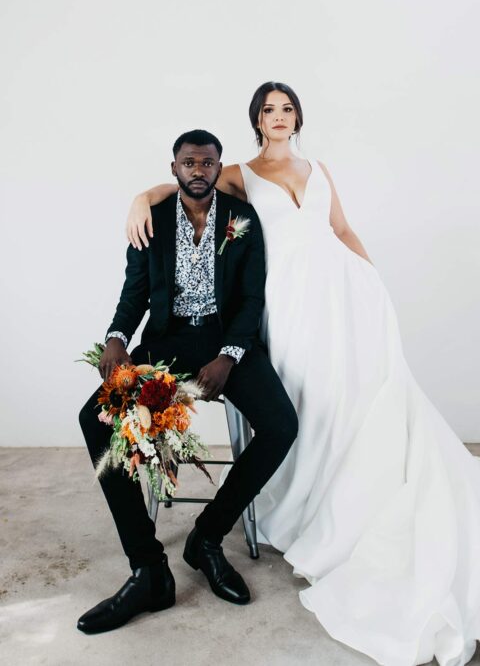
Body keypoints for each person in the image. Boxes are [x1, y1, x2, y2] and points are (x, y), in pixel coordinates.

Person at [126, 82, 480, 666]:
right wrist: (143, 195)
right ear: (256, 121)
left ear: (298, 116)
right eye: (269, 110)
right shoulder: (239, 171)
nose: (279, 117)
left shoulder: (321, 168)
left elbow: (341, 230)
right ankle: (303, 496)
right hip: (288, 302)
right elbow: (189, 184)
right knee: (305, 403)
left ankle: (360, 484)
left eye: (287, 108)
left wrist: (375, 282)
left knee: (360, 395)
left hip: (346, 292)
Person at [77, 128, 298, 635]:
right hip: (164, 344)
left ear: (219, 168)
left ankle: (207, 537)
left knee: (282, 426)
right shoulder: (151, 220)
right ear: (173, 168)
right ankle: (149, 569)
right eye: (189, 162)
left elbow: (250, 299)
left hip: (227, 343)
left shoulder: (242, 219)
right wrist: (115, 337)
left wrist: (228, 355)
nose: (198, 169)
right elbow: (134, 293)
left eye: (208, 162)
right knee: (94, 420)